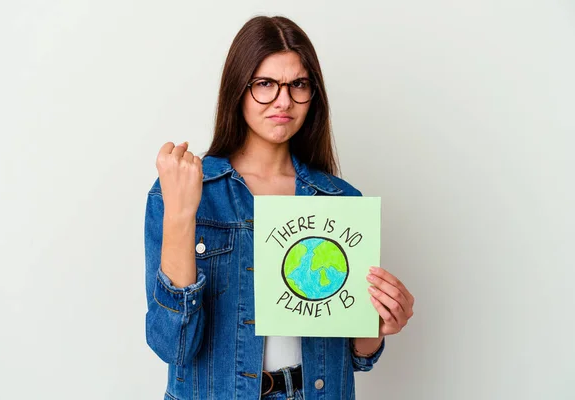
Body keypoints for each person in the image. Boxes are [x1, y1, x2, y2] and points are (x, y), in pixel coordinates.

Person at [144, 15, 415, 400]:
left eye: (298, 85)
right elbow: (173, 347)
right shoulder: (185, 189)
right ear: (239, 88)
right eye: (266, 84)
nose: (283, 101)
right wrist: (181, 215)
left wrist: (379, 324)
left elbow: (356, 355)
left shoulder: (340, 202)